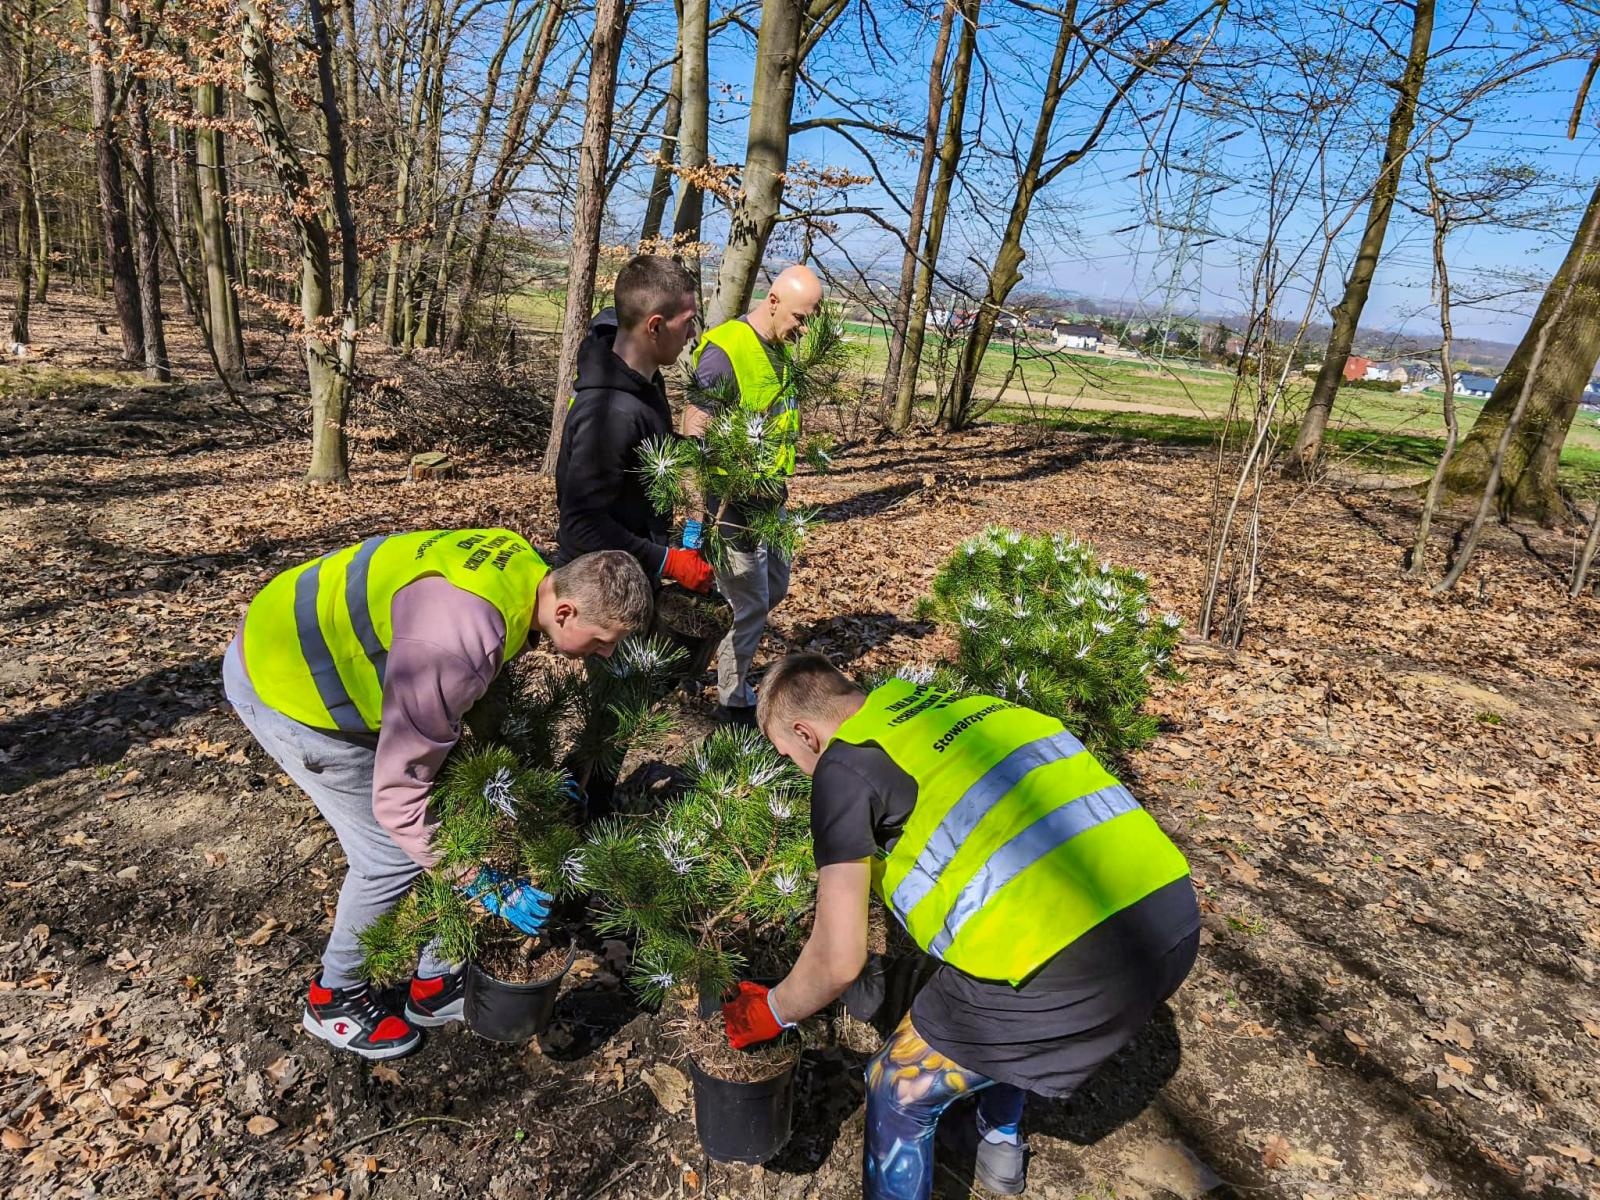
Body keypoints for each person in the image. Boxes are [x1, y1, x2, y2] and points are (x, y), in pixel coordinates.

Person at [722, 654, 1200, 1199]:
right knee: (980, 985)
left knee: (896, 1085)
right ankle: (997, 1146)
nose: (799, 770)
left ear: (806, 734)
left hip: (1072, 972)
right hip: (1170, 914)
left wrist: (774, 1009)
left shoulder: (844, 765)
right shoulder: (966, 708)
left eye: (788, 757)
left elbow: (837, 958)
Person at [223, 532, 652, 1060]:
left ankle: (432, 986)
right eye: (604, 640)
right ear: (564, 611)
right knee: (389, 855)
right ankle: (332, 997)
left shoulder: (523, 568)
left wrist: (531, 775)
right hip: (288, 681)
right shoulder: (452, 646)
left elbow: (473, 692)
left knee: (453, 819)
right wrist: (483, 883)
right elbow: (399, 804)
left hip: (325, 648)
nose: (607, 654)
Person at [685, 265, 824, 726]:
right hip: (731, 504)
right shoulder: (728, 348)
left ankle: (708, 646)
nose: (804, 331)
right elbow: (695, 426)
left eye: (811, 320)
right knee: (750, 604)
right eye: (800, 318)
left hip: (772, 500)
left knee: (773, 588)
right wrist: (701, 508)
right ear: (773, 301)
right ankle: (733, 698)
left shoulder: (781, 350)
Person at [554, 254, 714, 593]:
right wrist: (668, 561)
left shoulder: (645, 382)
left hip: (632, 571)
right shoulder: (609, 413)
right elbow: (580, 526)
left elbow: (640, 449)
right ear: (654, 327)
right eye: (687, 321)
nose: (692, 333)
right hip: (602, 591)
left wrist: (697, 451)